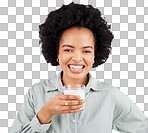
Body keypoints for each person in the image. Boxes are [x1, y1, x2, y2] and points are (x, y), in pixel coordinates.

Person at [12, 2, 148, 133]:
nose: (77, 58)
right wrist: (44, 114)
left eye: (86, 51)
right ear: (57, 52)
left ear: (95, 54)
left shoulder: (110, 96)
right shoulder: (37, 93)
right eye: (68, 50)